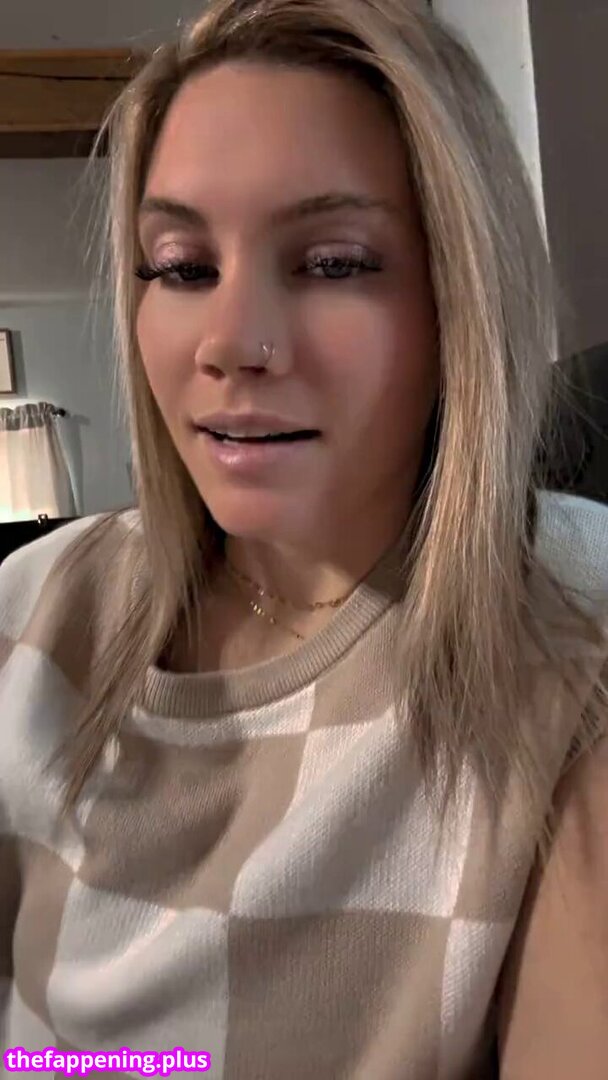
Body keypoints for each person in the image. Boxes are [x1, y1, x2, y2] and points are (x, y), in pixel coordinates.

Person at [1, 0, 607, 1076]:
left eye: (331, 263)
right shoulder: (34, 611)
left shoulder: (574, 646)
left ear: (461, 295)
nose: (232, 342)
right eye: (182, 266)